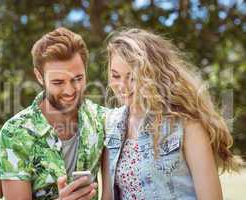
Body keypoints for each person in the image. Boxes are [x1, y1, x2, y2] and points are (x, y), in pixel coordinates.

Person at [102, 28, 239, 200]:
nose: (123, 86)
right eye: (115, 76)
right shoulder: (111, 125)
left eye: (132, 77)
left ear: (151, 74)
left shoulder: (186, 124)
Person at [0, 27, 106, 200]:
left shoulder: (100, 119)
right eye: (58, 82)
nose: (70, 91)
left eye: (78, 79)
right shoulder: (15, 132)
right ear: (39, 77)